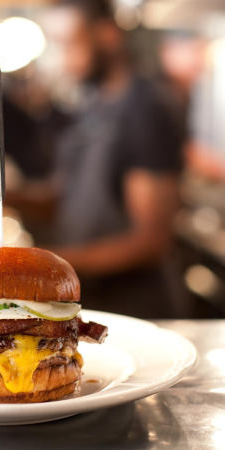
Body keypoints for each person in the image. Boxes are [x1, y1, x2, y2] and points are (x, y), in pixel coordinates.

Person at [42, 0, 187, 318]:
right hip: (93, 300)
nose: (64, 60)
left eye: (69, 44)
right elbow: (70, 196)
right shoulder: (94, 103)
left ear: (106, 34)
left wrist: (51, 265)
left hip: (137, 310)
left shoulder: (146, 108)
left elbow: (151, 240)